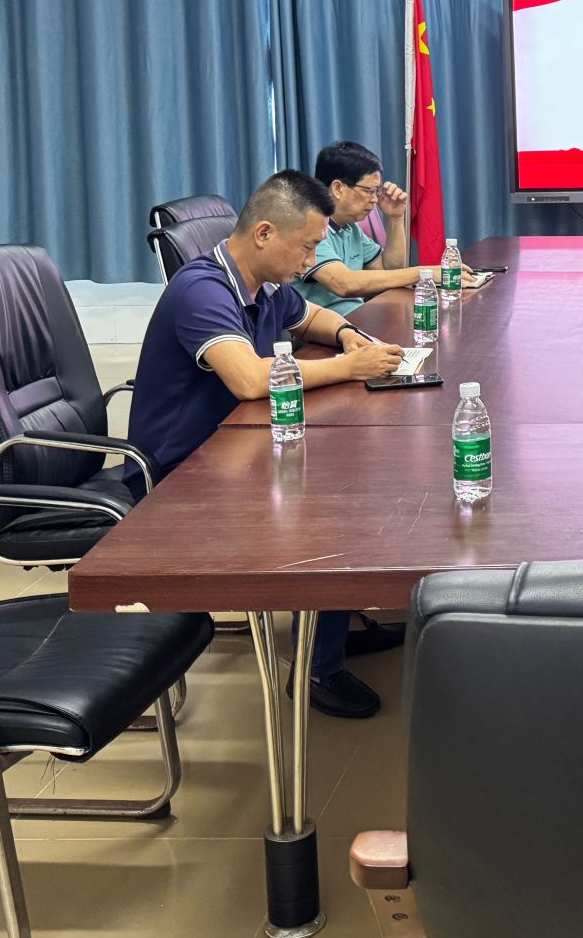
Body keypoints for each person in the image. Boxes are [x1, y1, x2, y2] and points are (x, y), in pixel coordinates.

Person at [129, 170, 406, 720]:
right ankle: (318, 668)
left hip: (236, 446)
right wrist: (350, 367)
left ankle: (339, 619)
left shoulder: (265, 283)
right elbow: (251, 381)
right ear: (263, 234)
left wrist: (347, 335)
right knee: (331, 505)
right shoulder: (202, 290)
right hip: (181, 473)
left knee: (355, 468)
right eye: (305, 247)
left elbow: (311, 316)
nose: (310, 261)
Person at [293, 140, 421, 317]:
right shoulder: (309, 226)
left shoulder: (350, 228)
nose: (375, 199)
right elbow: (343, 284)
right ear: (338, 188)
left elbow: (390, 269)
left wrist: (396, 217)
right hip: (321, 329)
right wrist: (423, 274)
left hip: (358, 319)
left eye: (376, 191)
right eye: (369, 190)